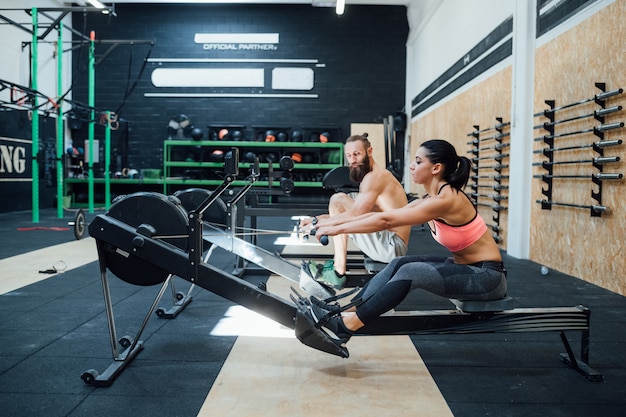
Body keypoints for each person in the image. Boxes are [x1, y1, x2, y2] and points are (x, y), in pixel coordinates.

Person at [307, 139, 507, 348]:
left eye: (418, 162)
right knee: (399, 263)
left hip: (487, 278)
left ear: (436, 168)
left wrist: (335, 228)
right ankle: (344, 311)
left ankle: (347, 326)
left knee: (412, 272)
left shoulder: (447, 200)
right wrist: (327, 222)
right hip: (466, 268)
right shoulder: (430, 199)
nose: (411, 166)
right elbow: (385, 216)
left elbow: (386, 221)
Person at [300, 133, 410, 289]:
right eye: (349, 155)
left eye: (357, 154)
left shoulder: (376, 177)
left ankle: (338, 272)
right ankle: (338, 267)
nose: (352, 159)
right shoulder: (373, 177)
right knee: (347, 198)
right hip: (388, 242)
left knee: (338, 199)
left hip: (391, 246)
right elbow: (354, 212)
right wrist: (316, 220)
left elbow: (355, 214)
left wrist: (320, 226)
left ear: (369, 151)